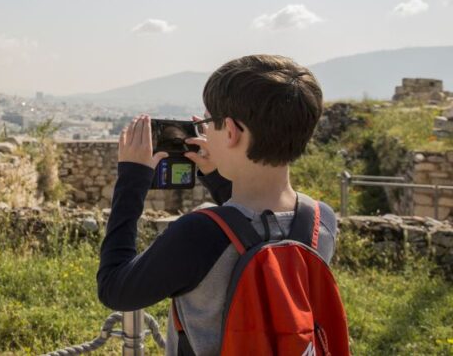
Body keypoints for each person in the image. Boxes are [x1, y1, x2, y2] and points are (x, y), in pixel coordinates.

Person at [97, 54, 338, 356]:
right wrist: (216, 173)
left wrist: (131, 181)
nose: (205, 131)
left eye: (209, 122)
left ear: (232, 132)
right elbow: (255, 231)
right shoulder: (321, 221)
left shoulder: (199, 233)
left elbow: (115, 289)